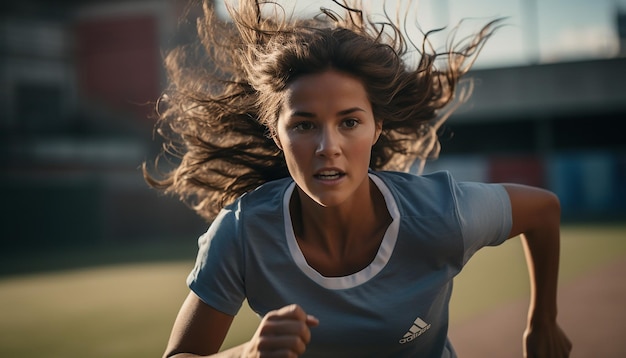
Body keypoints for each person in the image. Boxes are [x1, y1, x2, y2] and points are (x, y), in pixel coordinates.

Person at [144, 0, 572, 357]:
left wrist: (543, 321)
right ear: (277, 134)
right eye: (305, 125)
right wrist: (247, 354)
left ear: (376, 127)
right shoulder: (243, 233)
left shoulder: (442, 215)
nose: (327, 145)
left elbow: (543, 210)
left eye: (349, 122)